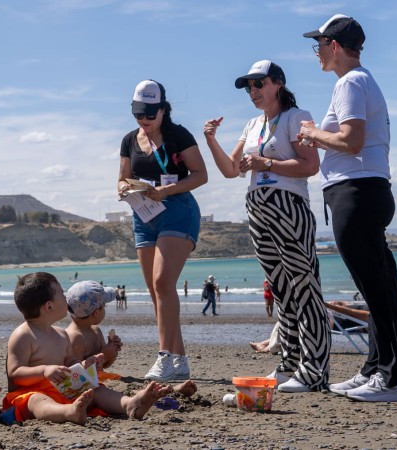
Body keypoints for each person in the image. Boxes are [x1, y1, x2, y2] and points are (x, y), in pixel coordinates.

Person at [299, 14, 397, 402]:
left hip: (357, 192)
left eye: (318, 44)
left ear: (334, 46)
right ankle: (379, 367)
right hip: (364, 190)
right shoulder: (359, 81)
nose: (316, 52)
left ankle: (390, 379)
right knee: (381, 284)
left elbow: (351, 140)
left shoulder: (351, 81)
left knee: (375, 289)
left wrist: (311, 134)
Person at [204, 59, 330, 392]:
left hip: (288, 205)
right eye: (249, 87)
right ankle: (290, 364)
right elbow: (232, 170)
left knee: (304, 286)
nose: (252, 91)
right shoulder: (252, 124)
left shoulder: (296, 117)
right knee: (281, 289)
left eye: (258, 84)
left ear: (277, 84)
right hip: (257, 207)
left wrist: (265, 162)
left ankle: (315, 370)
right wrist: (211, 140)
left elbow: (310, 166)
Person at [118, 79, 208, 382]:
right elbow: (121, 178)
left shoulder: (178, 134)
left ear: (162, 110)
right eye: (138, 114)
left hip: (177, 211)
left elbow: (200, 175)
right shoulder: (130, 140)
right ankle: (179, 360)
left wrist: (165, 192)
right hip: (143, 214)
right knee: (158, 292)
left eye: (149, 114)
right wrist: (124, 189)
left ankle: (164, 356)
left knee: (162, 282)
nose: (143, 120)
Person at [2, 272, 172, 425]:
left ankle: (129, 404)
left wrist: (85, 365)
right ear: (49, 307)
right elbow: (15, 373)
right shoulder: (23, 335)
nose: (65, 297)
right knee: (36, 400)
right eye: (61, 293)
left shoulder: (61, 334)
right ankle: (69, 413)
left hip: (62, 391)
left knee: (96, 388)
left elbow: (71, 364)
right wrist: (44, 370)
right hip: (27, 395)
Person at [65, 281, 123, 380]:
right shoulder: (75, 337)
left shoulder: (96, 331)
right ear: (96, 313)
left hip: (95, 378)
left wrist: (111, 352)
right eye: (104, 306)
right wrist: (104, 356)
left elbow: (104, 366)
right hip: (83, 382)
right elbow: (74, 374)